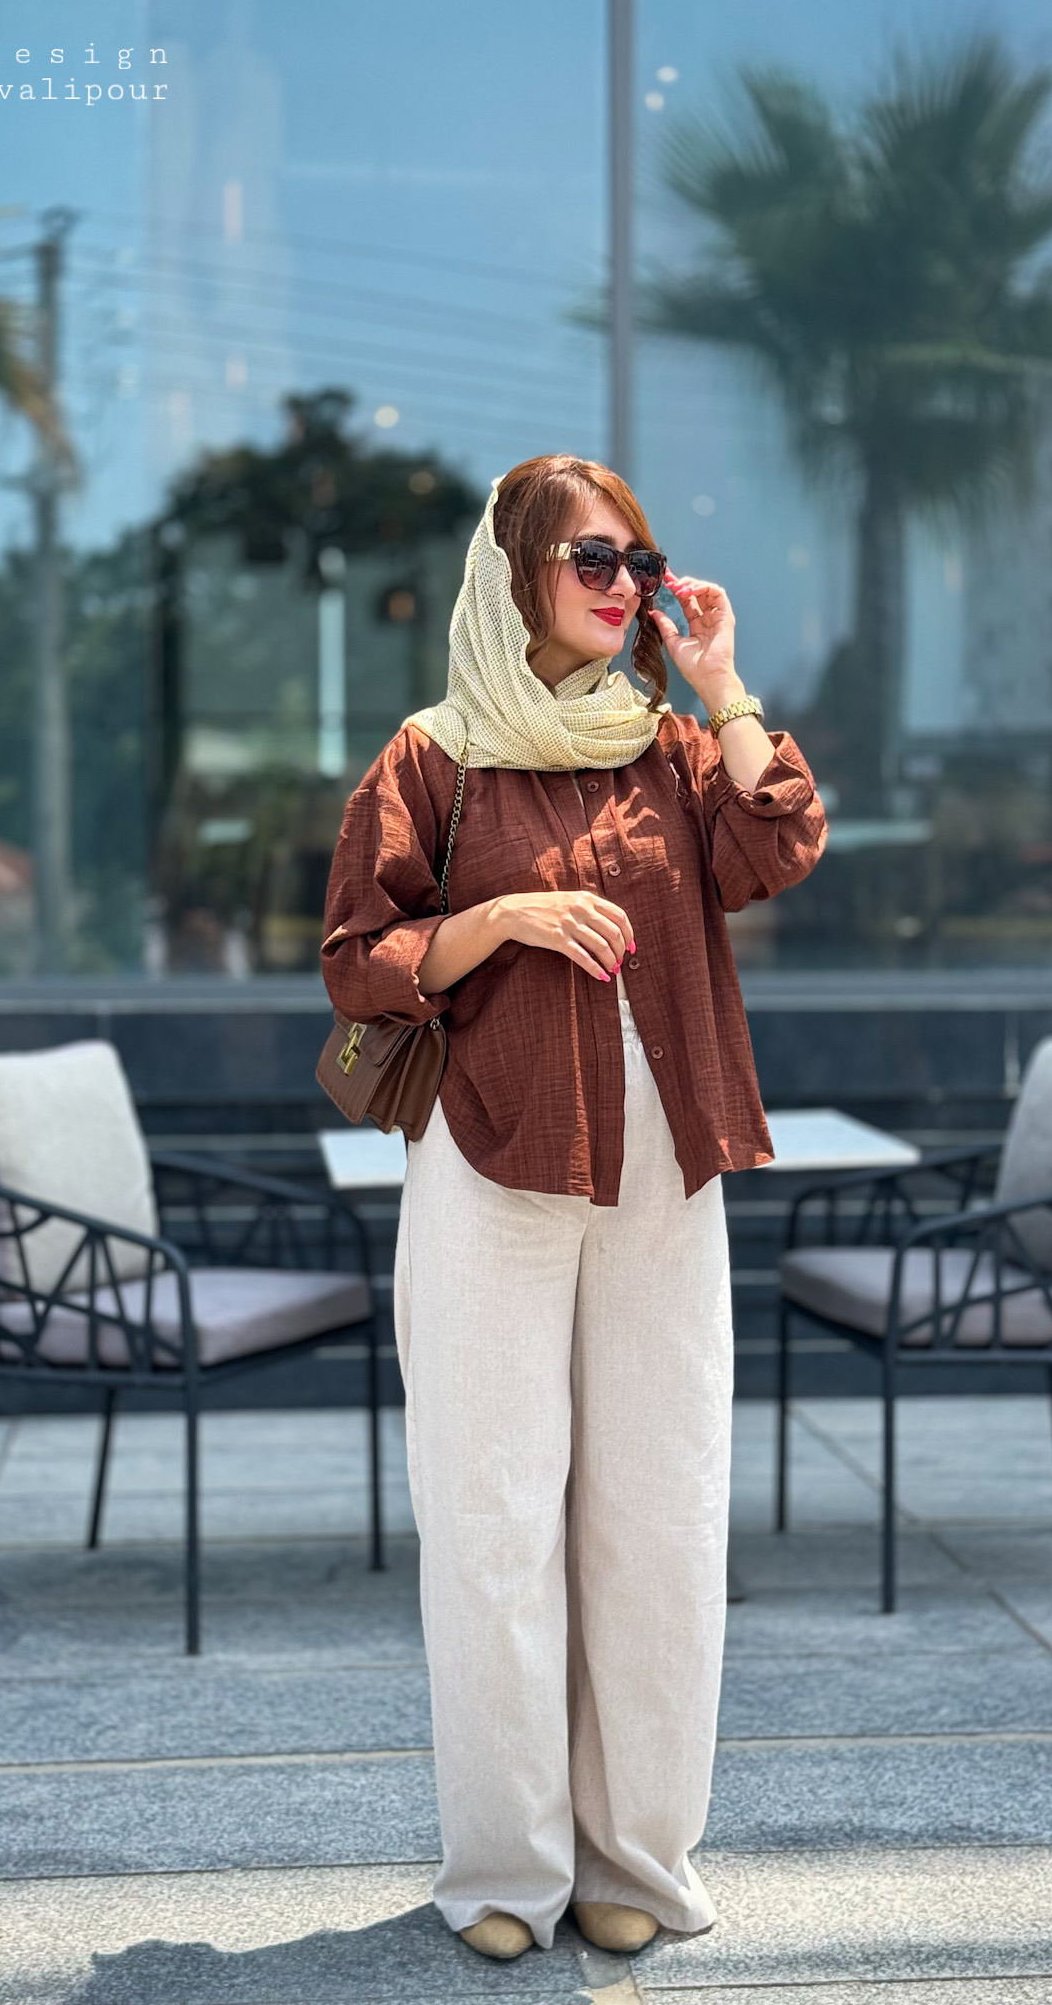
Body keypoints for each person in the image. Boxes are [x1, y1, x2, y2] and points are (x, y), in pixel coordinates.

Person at [320, 454, 827, 1963]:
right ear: (515, 572)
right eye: (589, 558)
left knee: (661, 1516)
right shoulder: (432, 757)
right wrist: (498, 919)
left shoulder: (670, 746)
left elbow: (780, 842)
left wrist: (723, 683)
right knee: (491, 1520)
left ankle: (637, 1859)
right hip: (489, 1165)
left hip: (665, 1174)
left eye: (637, 560)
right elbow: (357, 958)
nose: (620, 584)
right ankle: (505, 1870)